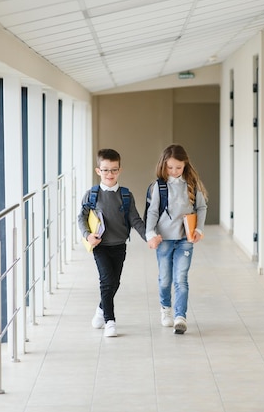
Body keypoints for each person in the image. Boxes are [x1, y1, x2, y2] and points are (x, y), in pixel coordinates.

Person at [78, 148, 161, 337]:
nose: (110, 174)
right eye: (105, 170)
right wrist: (87, 235)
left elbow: (136, 220)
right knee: (106, 282)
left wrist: (149, 236)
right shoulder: (92, 195)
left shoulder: (125, 195)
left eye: (114, 169)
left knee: (115, 282)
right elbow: (81, 217)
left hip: (119, 246)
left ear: (120, 170)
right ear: (98, 170)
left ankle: (101, 309)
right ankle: (110, 321)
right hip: (100, 246)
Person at [145, 144, 208, 334]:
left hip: (185, 239)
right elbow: (152, 211)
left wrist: (199, 229)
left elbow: (202, 207)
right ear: (163, 165)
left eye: (178, 168)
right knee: (165, 279)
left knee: (181, 278)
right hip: (164, 239)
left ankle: (181, 316)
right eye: (170, 167)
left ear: (185, 166)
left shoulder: (192, 184)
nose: (173, 171)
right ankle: (166, 309)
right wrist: (150, 233)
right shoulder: (159, 186)